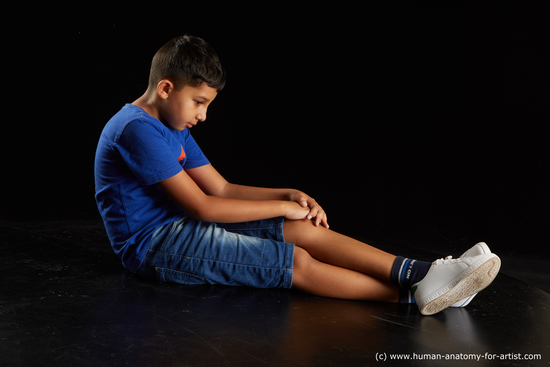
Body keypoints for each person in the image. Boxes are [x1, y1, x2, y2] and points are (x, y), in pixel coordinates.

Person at [94, 35, 500, 315]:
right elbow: (203, 206)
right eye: (199, 102)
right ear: (165, 88)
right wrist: (280, 207)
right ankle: (413, 296)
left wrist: (290, 194)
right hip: (154, 245)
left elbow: (222, 187)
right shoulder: (135, 129)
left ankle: (422, 274)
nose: (203, 115)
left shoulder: (174, 125)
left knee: (304, 228)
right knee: (296, 260)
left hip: (182, 223)